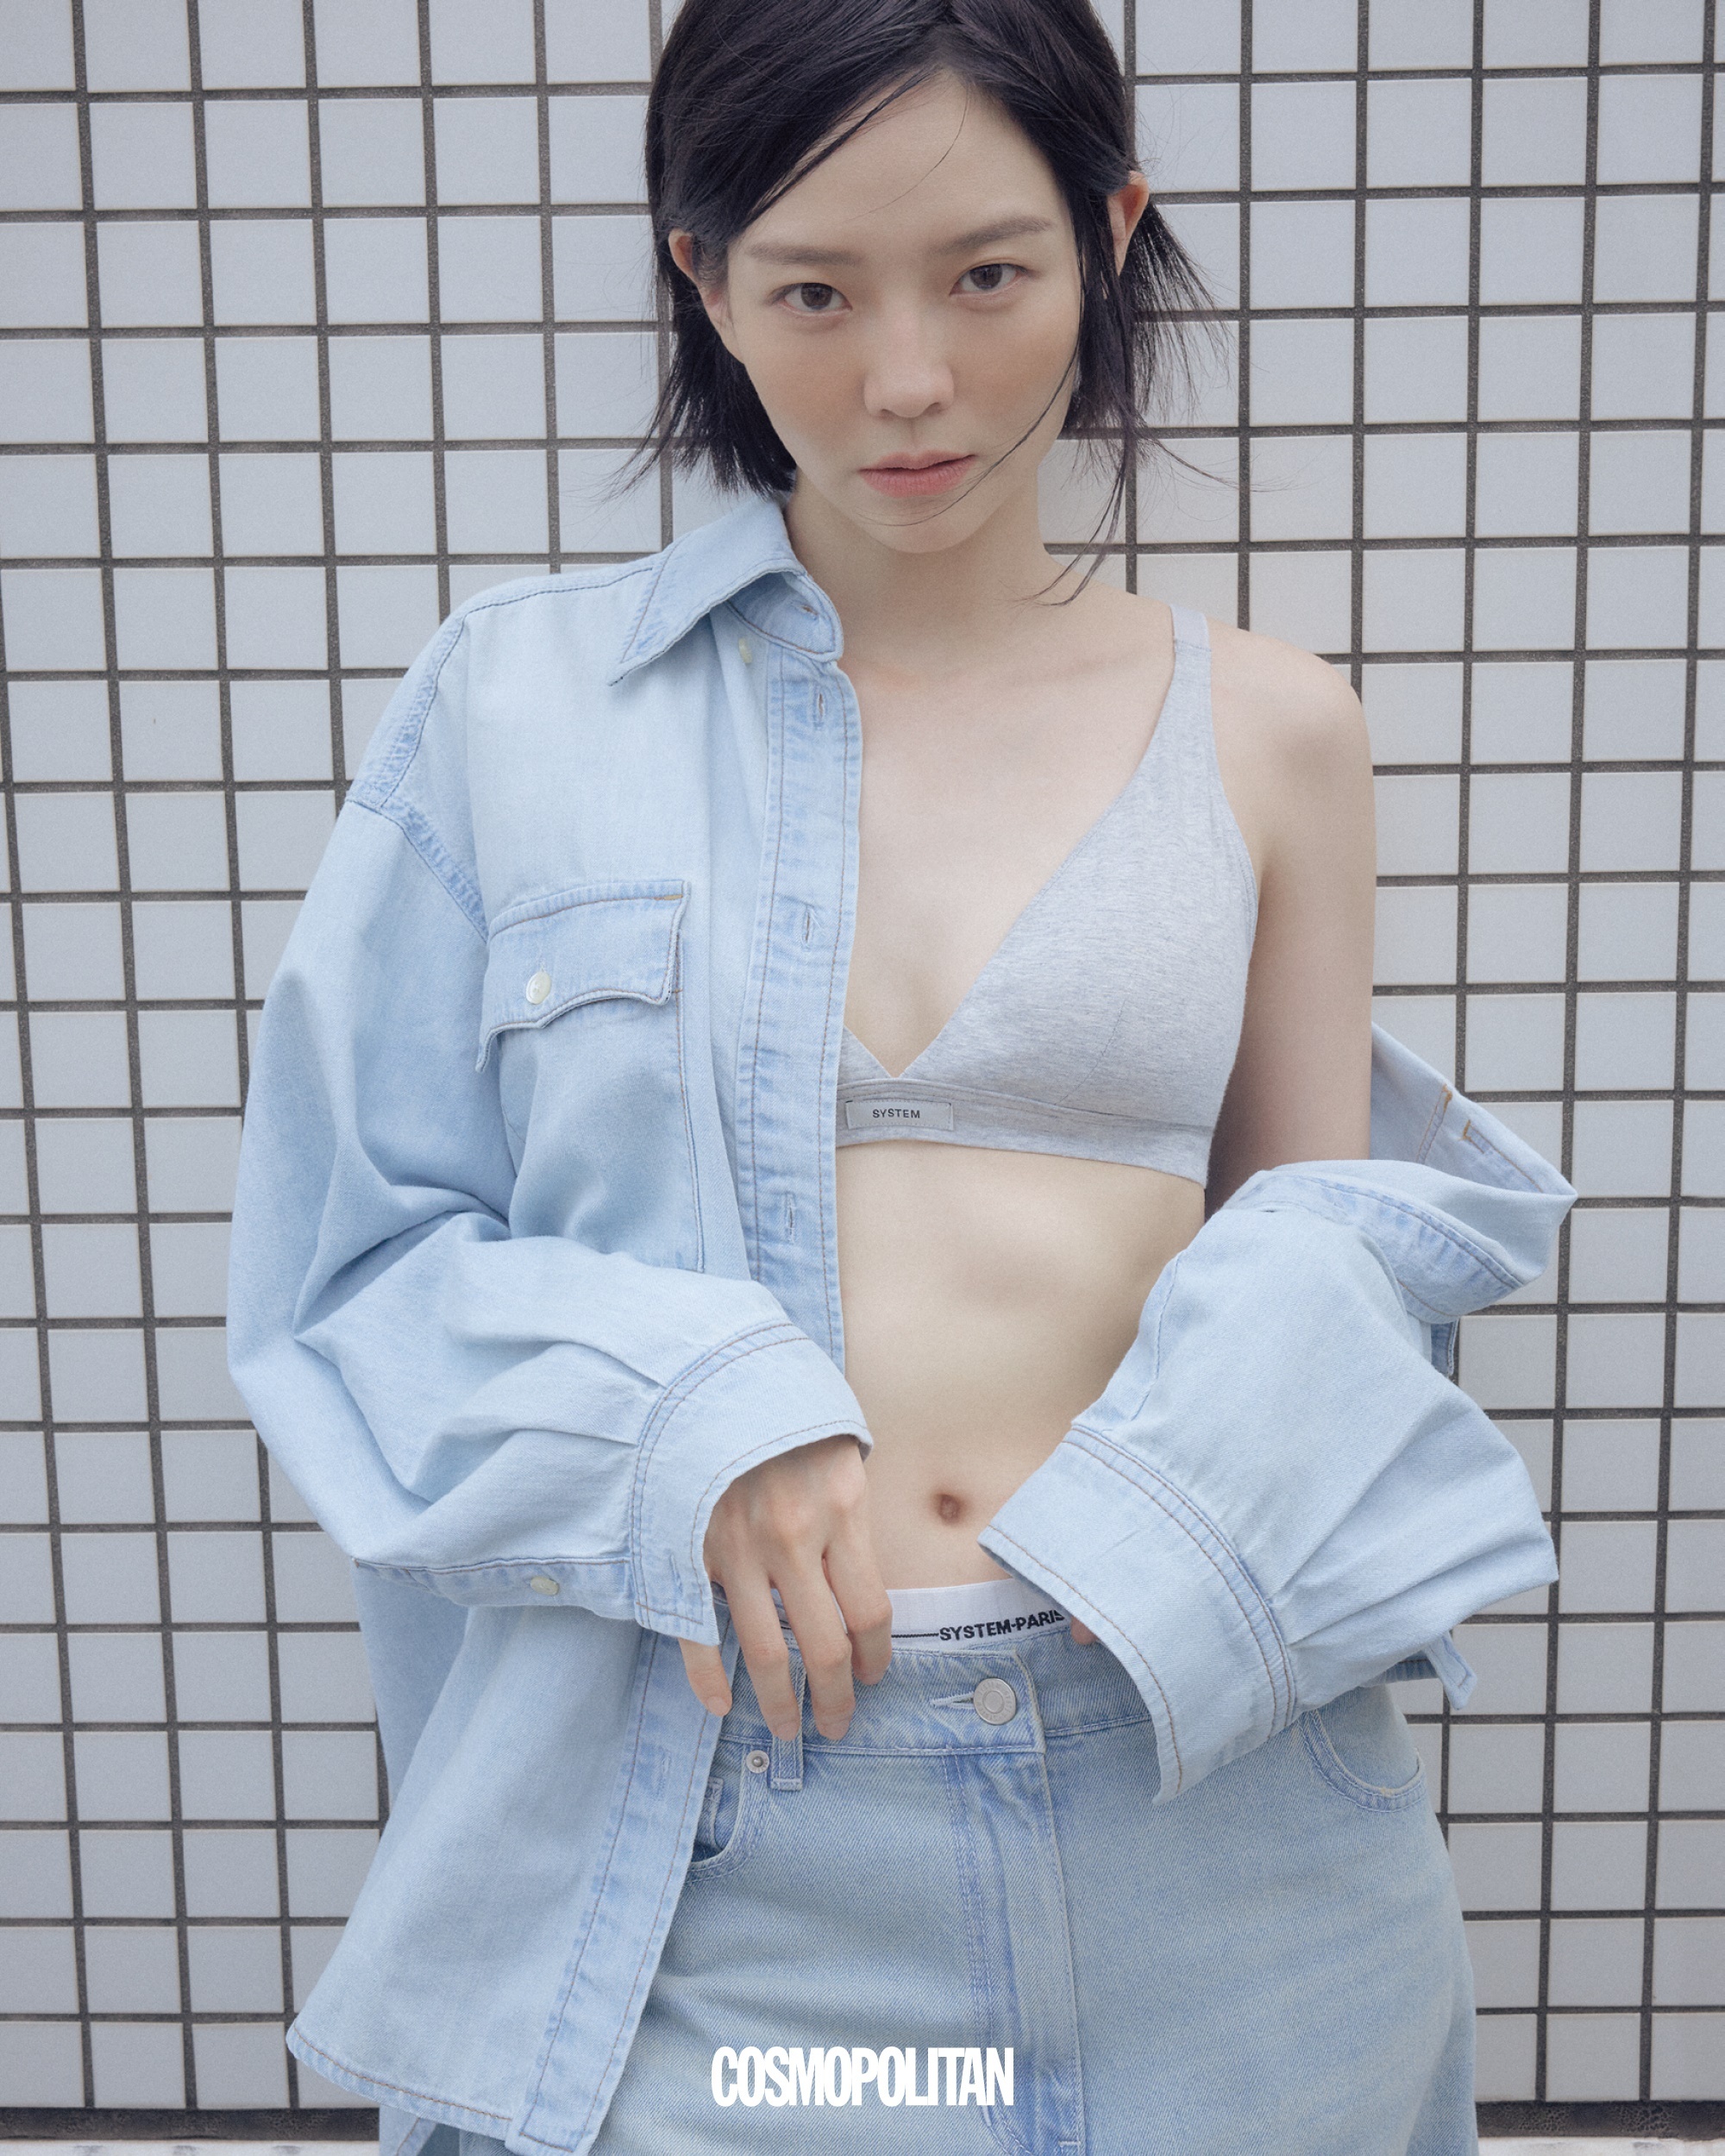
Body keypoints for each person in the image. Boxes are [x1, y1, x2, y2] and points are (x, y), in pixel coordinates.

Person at [226, 3, 1573, 2151]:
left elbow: (1313, 1276)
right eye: (816, 294)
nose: (912, 379)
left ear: (1107, 237)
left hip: (1215, 1818)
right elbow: (345, 1267)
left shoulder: (1274, 728)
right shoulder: (515, 709)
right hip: (722, 1817)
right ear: (704, 278)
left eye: (986, 273)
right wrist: (684, 1411)